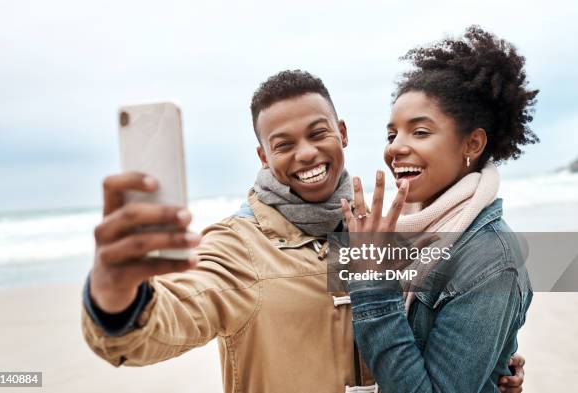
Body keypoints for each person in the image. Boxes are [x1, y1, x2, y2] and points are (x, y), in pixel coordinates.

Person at [81, 70, 525, 392]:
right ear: (263, 156)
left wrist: (488, 368)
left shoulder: (381, 227)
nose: (307, 154)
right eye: (283, 144)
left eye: (318, 134)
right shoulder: (238, 245)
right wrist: (114, 295)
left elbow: (461, 308)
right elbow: (161, 324)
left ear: (343, 134)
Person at [340, 26, 535, 392]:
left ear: (473, 143)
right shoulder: (398, 230)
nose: (396, 147)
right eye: (391, 134)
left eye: (420, 132)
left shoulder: (491, 259)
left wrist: (372, 281)